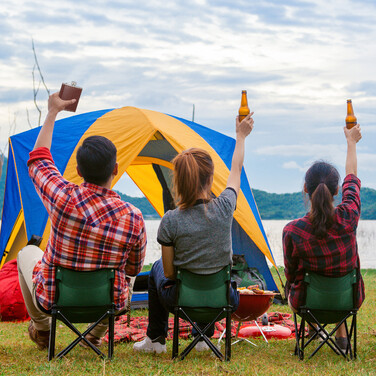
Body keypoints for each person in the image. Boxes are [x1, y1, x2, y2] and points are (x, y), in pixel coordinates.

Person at [17, 92, 146, 350]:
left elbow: (39, 159)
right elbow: (132, 269)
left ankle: (43, 328)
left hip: (55, 298)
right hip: (108, 302)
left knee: (26, 252)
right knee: (127, 273)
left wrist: (52, 112)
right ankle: (95, 334)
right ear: (116, 169)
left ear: (78, 171)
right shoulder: (134, 216)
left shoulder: (62, 198)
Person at [133, 112, 254, 354]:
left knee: (157, 267)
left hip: (180, 300)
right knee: (207, 274)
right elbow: (236, 170)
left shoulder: (170, 220)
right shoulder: (225, 207)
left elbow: (169, 272)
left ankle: (156, 340)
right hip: (224, 300)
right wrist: (240, 136)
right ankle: (202, 337)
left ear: (178, 181)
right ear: (211, 179)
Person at [283, 123, 365, 352]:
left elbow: (291, 275)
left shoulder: (293, 230)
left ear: (306, 190)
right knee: (336, 277)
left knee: (300, 281)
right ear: (337, 190)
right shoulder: (349, 216)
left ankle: (312, 329)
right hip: (347, 302)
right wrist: (351, 142)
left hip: (308, 304)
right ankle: (341, 336)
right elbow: (352, 178)